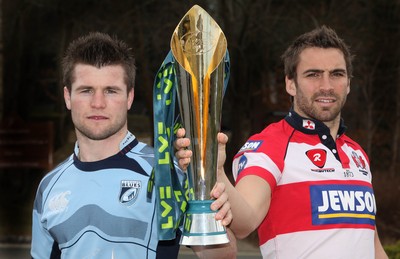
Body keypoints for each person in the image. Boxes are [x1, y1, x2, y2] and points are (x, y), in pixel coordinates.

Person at [176, 26, 388, 258]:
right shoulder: (269, 145)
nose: (326, 85)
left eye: (337, 74)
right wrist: (215, 171)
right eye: (313, 74)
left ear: (348, 83)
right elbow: (245, 220)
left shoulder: (357, 153)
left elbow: (372, 244)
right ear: (290, 84)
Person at [30, 32, 235, 259]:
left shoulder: (167, 173)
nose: (98, 103)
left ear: (129, 97)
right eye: (86, 90)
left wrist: (211, 206)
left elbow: (223, 256)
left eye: (111, 90)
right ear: (68, 97)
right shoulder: (49, 187)